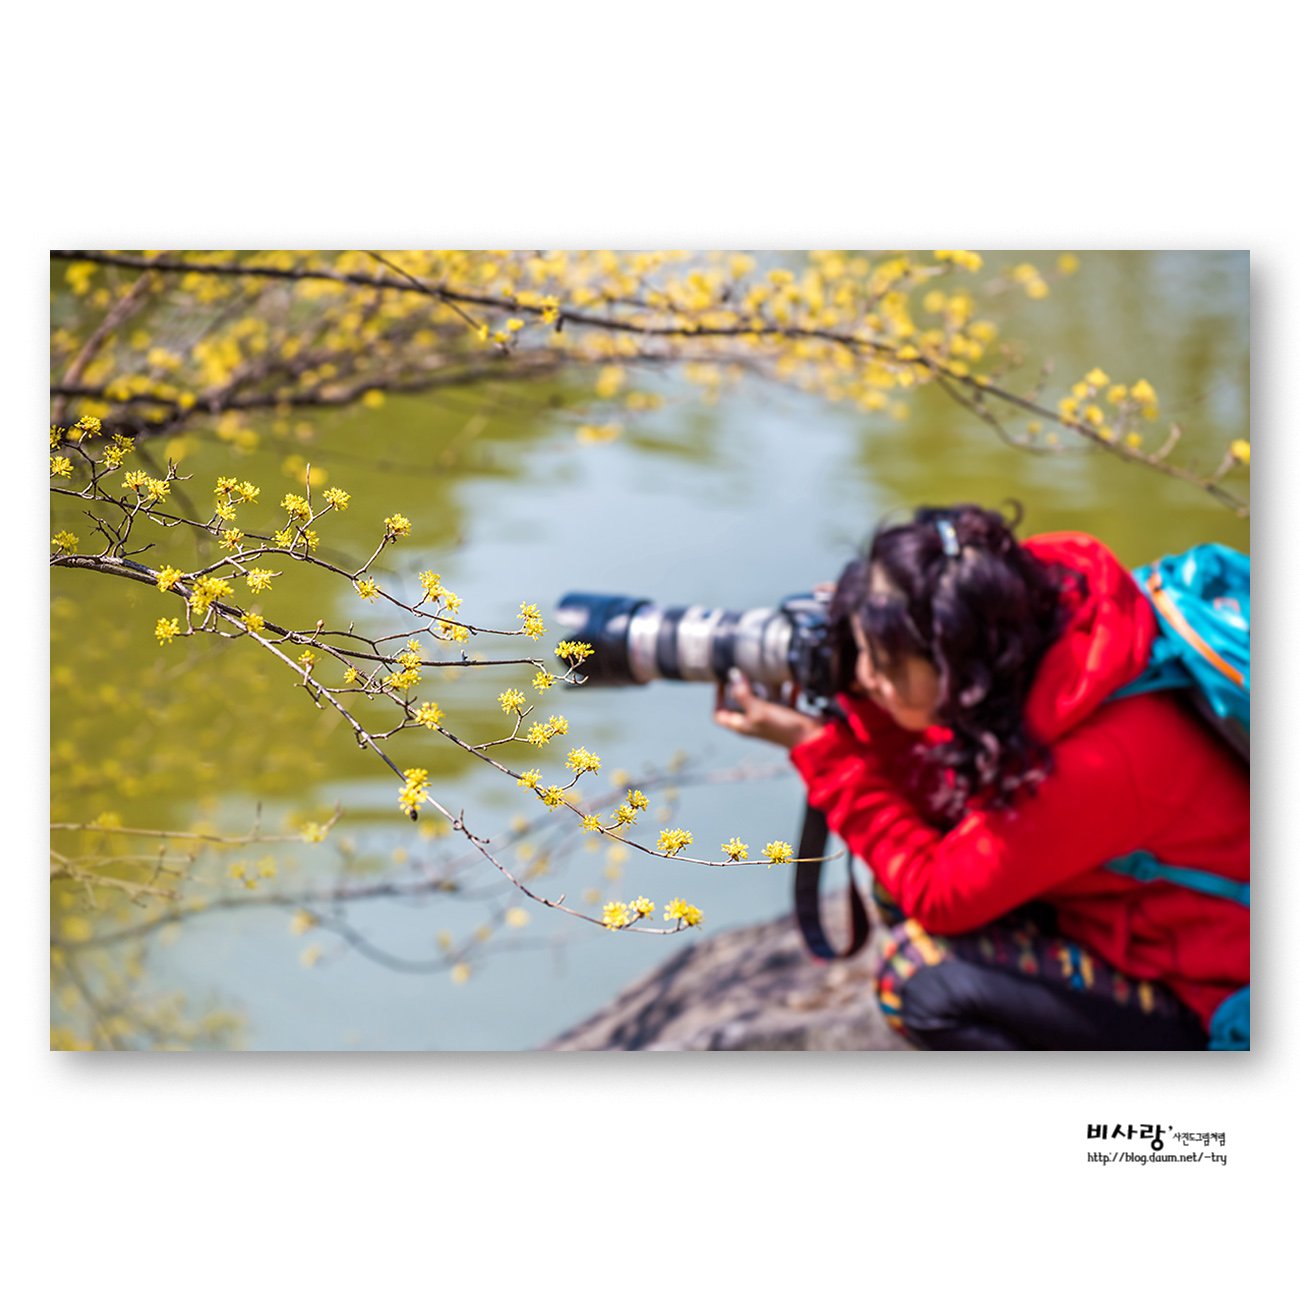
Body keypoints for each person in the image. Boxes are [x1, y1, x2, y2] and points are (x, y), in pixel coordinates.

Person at [713, 503, 1249, 1050]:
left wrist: (820, 752)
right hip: (1132, 917)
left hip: (1224, 991)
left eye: (885, 665)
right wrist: (864, 696)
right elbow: (942, 796)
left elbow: (938, 893)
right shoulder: (1055, 636)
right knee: (901, 864)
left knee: (922, 977)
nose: (867, 675)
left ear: (957, 669)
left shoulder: (1096, 758)